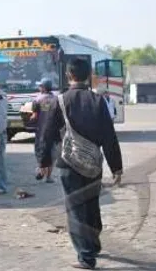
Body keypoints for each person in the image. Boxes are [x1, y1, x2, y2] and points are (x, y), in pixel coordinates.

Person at [37, 58, 123, 270]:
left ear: (68, 75)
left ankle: (86, 257)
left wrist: (44, 161)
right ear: (89, 75)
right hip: (93, 163)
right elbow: (109, 137)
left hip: (69, 164)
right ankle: (92, 245)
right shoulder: (98, 101)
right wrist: (116, 167)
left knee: (76, 209)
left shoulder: (61, 100)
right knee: (92, 206)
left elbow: (46, 133)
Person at [31, 78, 59, 183]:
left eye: (40, 86)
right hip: (54, 132)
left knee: (41, 152)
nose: (39, 87)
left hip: (41, 131)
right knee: (52, 154)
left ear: (43, 87)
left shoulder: (37, 100)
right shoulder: (56, 99)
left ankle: (40, 171)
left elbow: (34, 116)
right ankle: (49, 177)